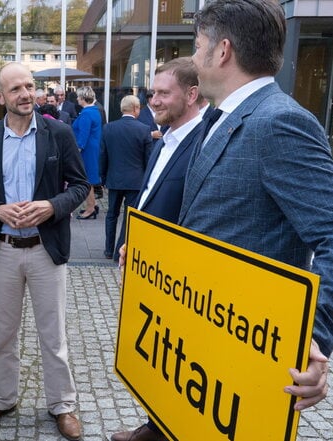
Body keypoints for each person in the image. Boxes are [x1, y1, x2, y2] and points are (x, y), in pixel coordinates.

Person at [114, 2, 333, 439]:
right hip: (199, 341)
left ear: (222, 52)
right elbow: (207, 214)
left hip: (244, 347)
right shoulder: (217, 117)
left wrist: (308, 337)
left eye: (198, 47)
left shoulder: (280, 122)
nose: (194, 59)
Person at [0, 62, 88, 441]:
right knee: (4, 333)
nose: (26, 94)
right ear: (0, 97)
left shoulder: (58, 133)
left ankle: (62, 405)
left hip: (45, 250)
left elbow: (81, 186)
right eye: (15, 89)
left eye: (29, 86)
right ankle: (1, 398)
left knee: (54, 334)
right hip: (3, 249)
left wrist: (51, 206)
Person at [108, 57, 205, 441]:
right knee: (158, 356)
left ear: (192, 94)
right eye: (152, 93)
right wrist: (126, 244)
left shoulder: (203, 143)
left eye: (164, 93)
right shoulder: (164, 138)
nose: (154, 101)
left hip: (178, 276)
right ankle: (154, 426)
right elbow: (147, 200)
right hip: (147, 267)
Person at [99, 95, 152, 260]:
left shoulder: (108, 128)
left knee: (111, 215)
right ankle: (123, 249)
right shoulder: (144, 129)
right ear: (136, 108)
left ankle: (108, 250)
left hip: (114, 179)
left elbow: (103, 155)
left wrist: (103, 177)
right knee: (130, 217)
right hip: (136, 181)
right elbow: (148, 159)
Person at [73, 86, 103, 220]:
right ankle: (93, 205)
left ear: (83, 98)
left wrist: (76, 152)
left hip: (86, 151)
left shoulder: (86, 113)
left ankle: (90, 208)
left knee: (86, 180)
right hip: (93, 148)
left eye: (78, 97)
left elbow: (83, 137)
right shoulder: (95, 111)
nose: (77, 99)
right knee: (88, 179)